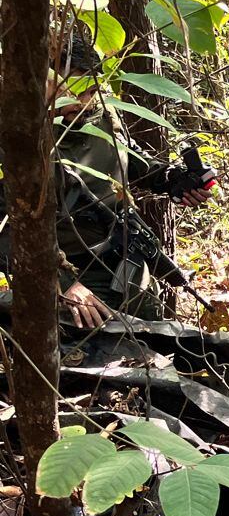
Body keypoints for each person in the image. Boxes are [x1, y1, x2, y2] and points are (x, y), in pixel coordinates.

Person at [23, 33, 213, 327]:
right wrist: (61, 281)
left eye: (90, 90)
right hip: (70, 279)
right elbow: (8, 233)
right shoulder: (20, 140)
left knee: (155, 339)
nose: (82, 102)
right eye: (71, 90)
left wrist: (172, 179)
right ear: (43, 82)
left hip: (125, 258)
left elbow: (131, 160)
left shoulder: (103, 116)